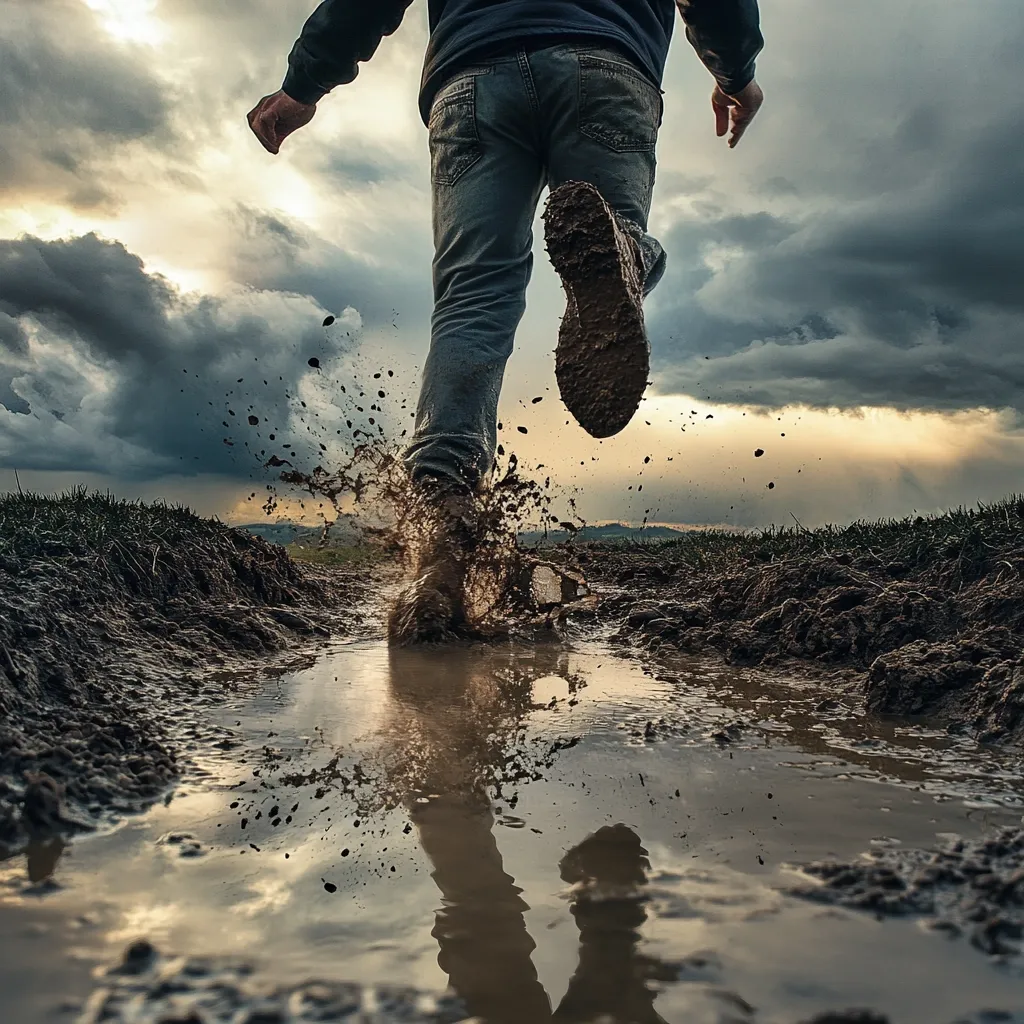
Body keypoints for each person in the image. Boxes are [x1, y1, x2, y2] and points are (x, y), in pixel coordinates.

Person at [248, 0, 764, 642]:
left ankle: (443, 516)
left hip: (473, 79)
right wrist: (736, 74)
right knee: (613, 231)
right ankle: (622, 256)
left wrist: (304, 85)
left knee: (474, 295)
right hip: (606, 66)